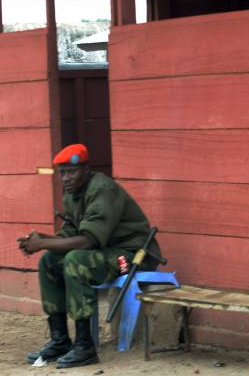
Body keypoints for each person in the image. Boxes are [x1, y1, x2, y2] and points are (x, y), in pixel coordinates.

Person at [18, 144, 163, 369]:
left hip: (133, 256)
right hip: (105, 251)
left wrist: (43, 243)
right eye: (62, 172)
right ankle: (60, 340)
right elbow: (71, 232)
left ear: (86, 170)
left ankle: (85, 346)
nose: (66, 178)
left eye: (72, 172)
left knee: (75, 260)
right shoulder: (73, 194)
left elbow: (88, 241)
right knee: (49, 260)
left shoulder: (102, 189)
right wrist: (41, 239)